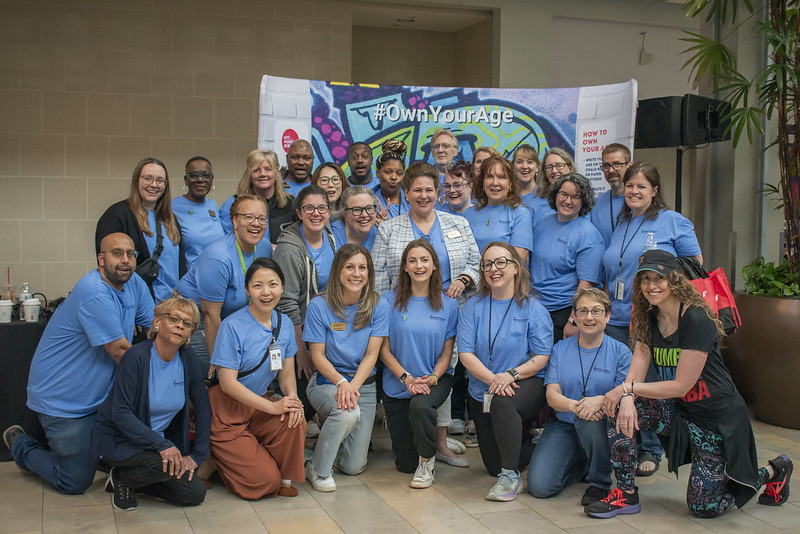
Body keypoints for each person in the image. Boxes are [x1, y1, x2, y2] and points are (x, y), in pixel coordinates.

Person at [586, 250, 793, 519]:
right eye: (645, 279)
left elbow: (682, 385)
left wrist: (628, 390)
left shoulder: (696, 318)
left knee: (703, 508)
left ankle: (772, 471)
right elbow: (638, 364)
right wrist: (625, 397)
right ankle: (626, 495)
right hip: (681, 414)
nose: (651, 285)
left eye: (659, 278)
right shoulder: (647, 317)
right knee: (614, 409)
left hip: (716, 420)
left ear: (675, 280)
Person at [3, 233, 154, 494]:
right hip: (66, 400)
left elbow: (153, 325)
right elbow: (120, 351)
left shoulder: (134, 283)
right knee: (74, 481)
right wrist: (162, 367)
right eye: (117, 253)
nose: (126, 260)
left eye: (130, 254)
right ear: (101, 258)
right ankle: (20, 444)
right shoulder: (94, 291)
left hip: (101, 396)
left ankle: (97, 451)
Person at [90, 296, 209, 511]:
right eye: (173, 318)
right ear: (157, 322)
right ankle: (121, 477)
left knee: (194, 493)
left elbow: (202, 407)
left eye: (187, 323)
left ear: (190, 333)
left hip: (157, 446)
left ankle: (131, 480)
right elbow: (120, 413)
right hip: (121, 438)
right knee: (165, 466)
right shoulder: (136, 357)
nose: (180, 325)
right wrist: (163, 445)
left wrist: (198, 455)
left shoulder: (188, 358)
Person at [457, 242, 553, 502]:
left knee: (503, 402)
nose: (493, 269)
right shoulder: (473, 308)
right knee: (491, 464)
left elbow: (541, 357)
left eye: (500, 262)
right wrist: (493, 379)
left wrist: (509, 375)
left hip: (525, 382)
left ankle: (510, 478)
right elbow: (465, 354)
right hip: (484, 387)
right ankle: (539, 444)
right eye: (487, 264)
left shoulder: (533, 308)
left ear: (515, 267)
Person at [209, 258, 306, 500]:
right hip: (228, 409)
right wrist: (273, 407)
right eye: (258, 286)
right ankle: (217, 460)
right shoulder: (232, 326)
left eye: (273, 284)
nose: (266, 292)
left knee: (295, 417)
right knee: (264, 483)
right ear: (247, 290)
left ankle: (282, 475)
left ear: (282, 288)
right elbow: (228, 383)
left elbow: (286, 374)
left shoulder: (284, 325)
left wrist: (292, 400)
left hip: (260, 406)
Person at [527, 289, 630, 506]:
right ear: (574, 315)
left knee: (589, 420)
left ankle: (599, 482)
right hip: (564, 423)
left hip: (601, 424)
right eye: (582, 311)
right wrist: (578, 406)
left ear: (608, 316)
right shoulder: (560, 349)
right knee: (539, 487)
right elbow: (552, 395)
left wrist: (598, 403)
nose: (589, 317)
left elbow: (623, 397)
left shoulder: (621, 352)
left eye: (596, 311)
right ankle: (582, 463)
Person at [302, 245, 390, 492]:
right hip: (327, 382)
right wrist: (341, 383)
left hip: (363, 385)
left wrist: (352, 387)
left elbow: (372, 355)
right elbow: (317, 355)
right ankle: (317, 469)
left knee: (352, 467)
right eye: (349, 267)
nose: (356, 273)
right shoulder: (319, 305)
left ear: (369, 272)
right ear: (338, 270)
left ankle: (330, 443)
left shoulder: (378, 305)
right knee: (346, 414)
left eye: (362, 268)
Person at [380, 240, 459, 488]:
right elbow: (383, 349)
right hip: (398, 382)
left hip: (435, 378)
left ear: (435, 265)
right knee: (405, 464)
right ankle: (423, 450)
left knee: (421, 406)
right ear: (404, 267)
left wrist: (432, 379)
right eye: (412, 260)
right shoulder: (387, 300)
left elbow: (447, 353)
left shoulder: (449, 303)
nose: (419, 265)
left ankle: (427, 462)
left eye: (425, 260)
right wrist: (407, 378)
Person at [176, 195, 272, 370]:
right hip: (196, 320)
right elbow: (211, 316)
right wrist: (218, 366)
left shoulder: (264, 247)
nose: (256, 223)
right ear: (234, 220)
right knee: (221, 375)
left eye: (261, 218)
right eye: (248, 217)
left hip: (230, 320)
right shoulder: (218, 257)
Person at [273, 185, 337, 419]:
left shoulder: (329, 235)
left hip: (322, 326)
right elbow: (286, 304)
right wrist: (300, 350)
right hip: (297, 330)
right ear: (299, 213)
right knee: (301, 387)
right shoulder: (289, 249)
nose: (316, 213)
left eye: (322, 208)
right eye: (309, 208)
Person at [96, 157, 186, 302]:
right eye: (148, 178)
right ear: (137, 180)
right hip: (140, 306)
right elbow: (107, 269)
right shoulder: (117, 215)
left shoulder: (170, 219)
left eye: (160, 180)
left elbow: (181, 265)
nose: (154, 185)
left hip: (171, 306)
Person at [530, 173, 604, 341]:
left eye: (575, 197)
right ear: (555, 194)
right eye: (563, 194)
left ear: (583, 201)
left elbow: (586, 285)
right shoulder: (542, 222)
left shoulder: (589, 235)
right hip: (535, 308)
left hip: (563, 313)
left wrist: (573, 320)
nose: (568, 201)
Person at [463, 156, 533, 264]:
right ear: (483, 182)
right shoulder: (468, 214)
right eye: (490, 176)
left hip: (504, 278)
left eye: (502, 177)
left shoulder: (520, 213)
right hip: (472, 278)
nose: (495, 183)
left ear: (510, 183)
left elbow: (516, 261)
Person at [219, 149, 295, 245]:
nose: (262, 174)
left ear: (276, 173)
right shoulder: (234, 204)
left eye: (268, 169)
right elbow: (225, 240)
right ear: (250, 175)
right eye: (256, 170)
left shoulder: (291, 203)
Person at [171, 156, 224, 270]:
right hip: (191, 278)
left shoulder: (212, 205)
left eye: (206, 175)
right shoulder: (172, 207)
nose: (200, 180)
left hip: (216, 274)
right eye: (194, 175)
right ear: (186, 180)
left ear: (212, 179)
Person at [590, 143, 632, 246]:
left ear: (629, 166)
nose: (611, 170)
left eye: (617, 164)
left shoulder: (639, 202)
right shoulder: (595, 205)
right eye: (606, 166)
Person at [530, 148, 575, 226]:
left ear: (569, 167)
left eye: (559, 165)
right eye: (549, 167)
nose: (554, 171)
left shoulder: (580, 202)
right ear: (545, 173)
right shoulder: (535, 206)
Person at [330, 186, 379, 252]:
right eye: (357, 210)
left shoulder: (381, 234)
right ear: (344, 213)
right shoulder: (332, 234)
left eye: (369, 208)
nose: (364, 215)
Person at [373, 139, 409, 221]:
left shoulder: (412, 200)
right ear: (378, 173)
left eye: (399, 173)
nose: (394, 177)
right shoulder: (368, 201)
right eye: (388, 172)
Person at [512, 144, 540, 208]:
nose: (524, 166)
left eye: (530, 162)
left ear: (537, 167)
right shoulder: (506, 195)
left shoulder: (545, 195)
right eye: (519, 162)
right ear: (513, 167)